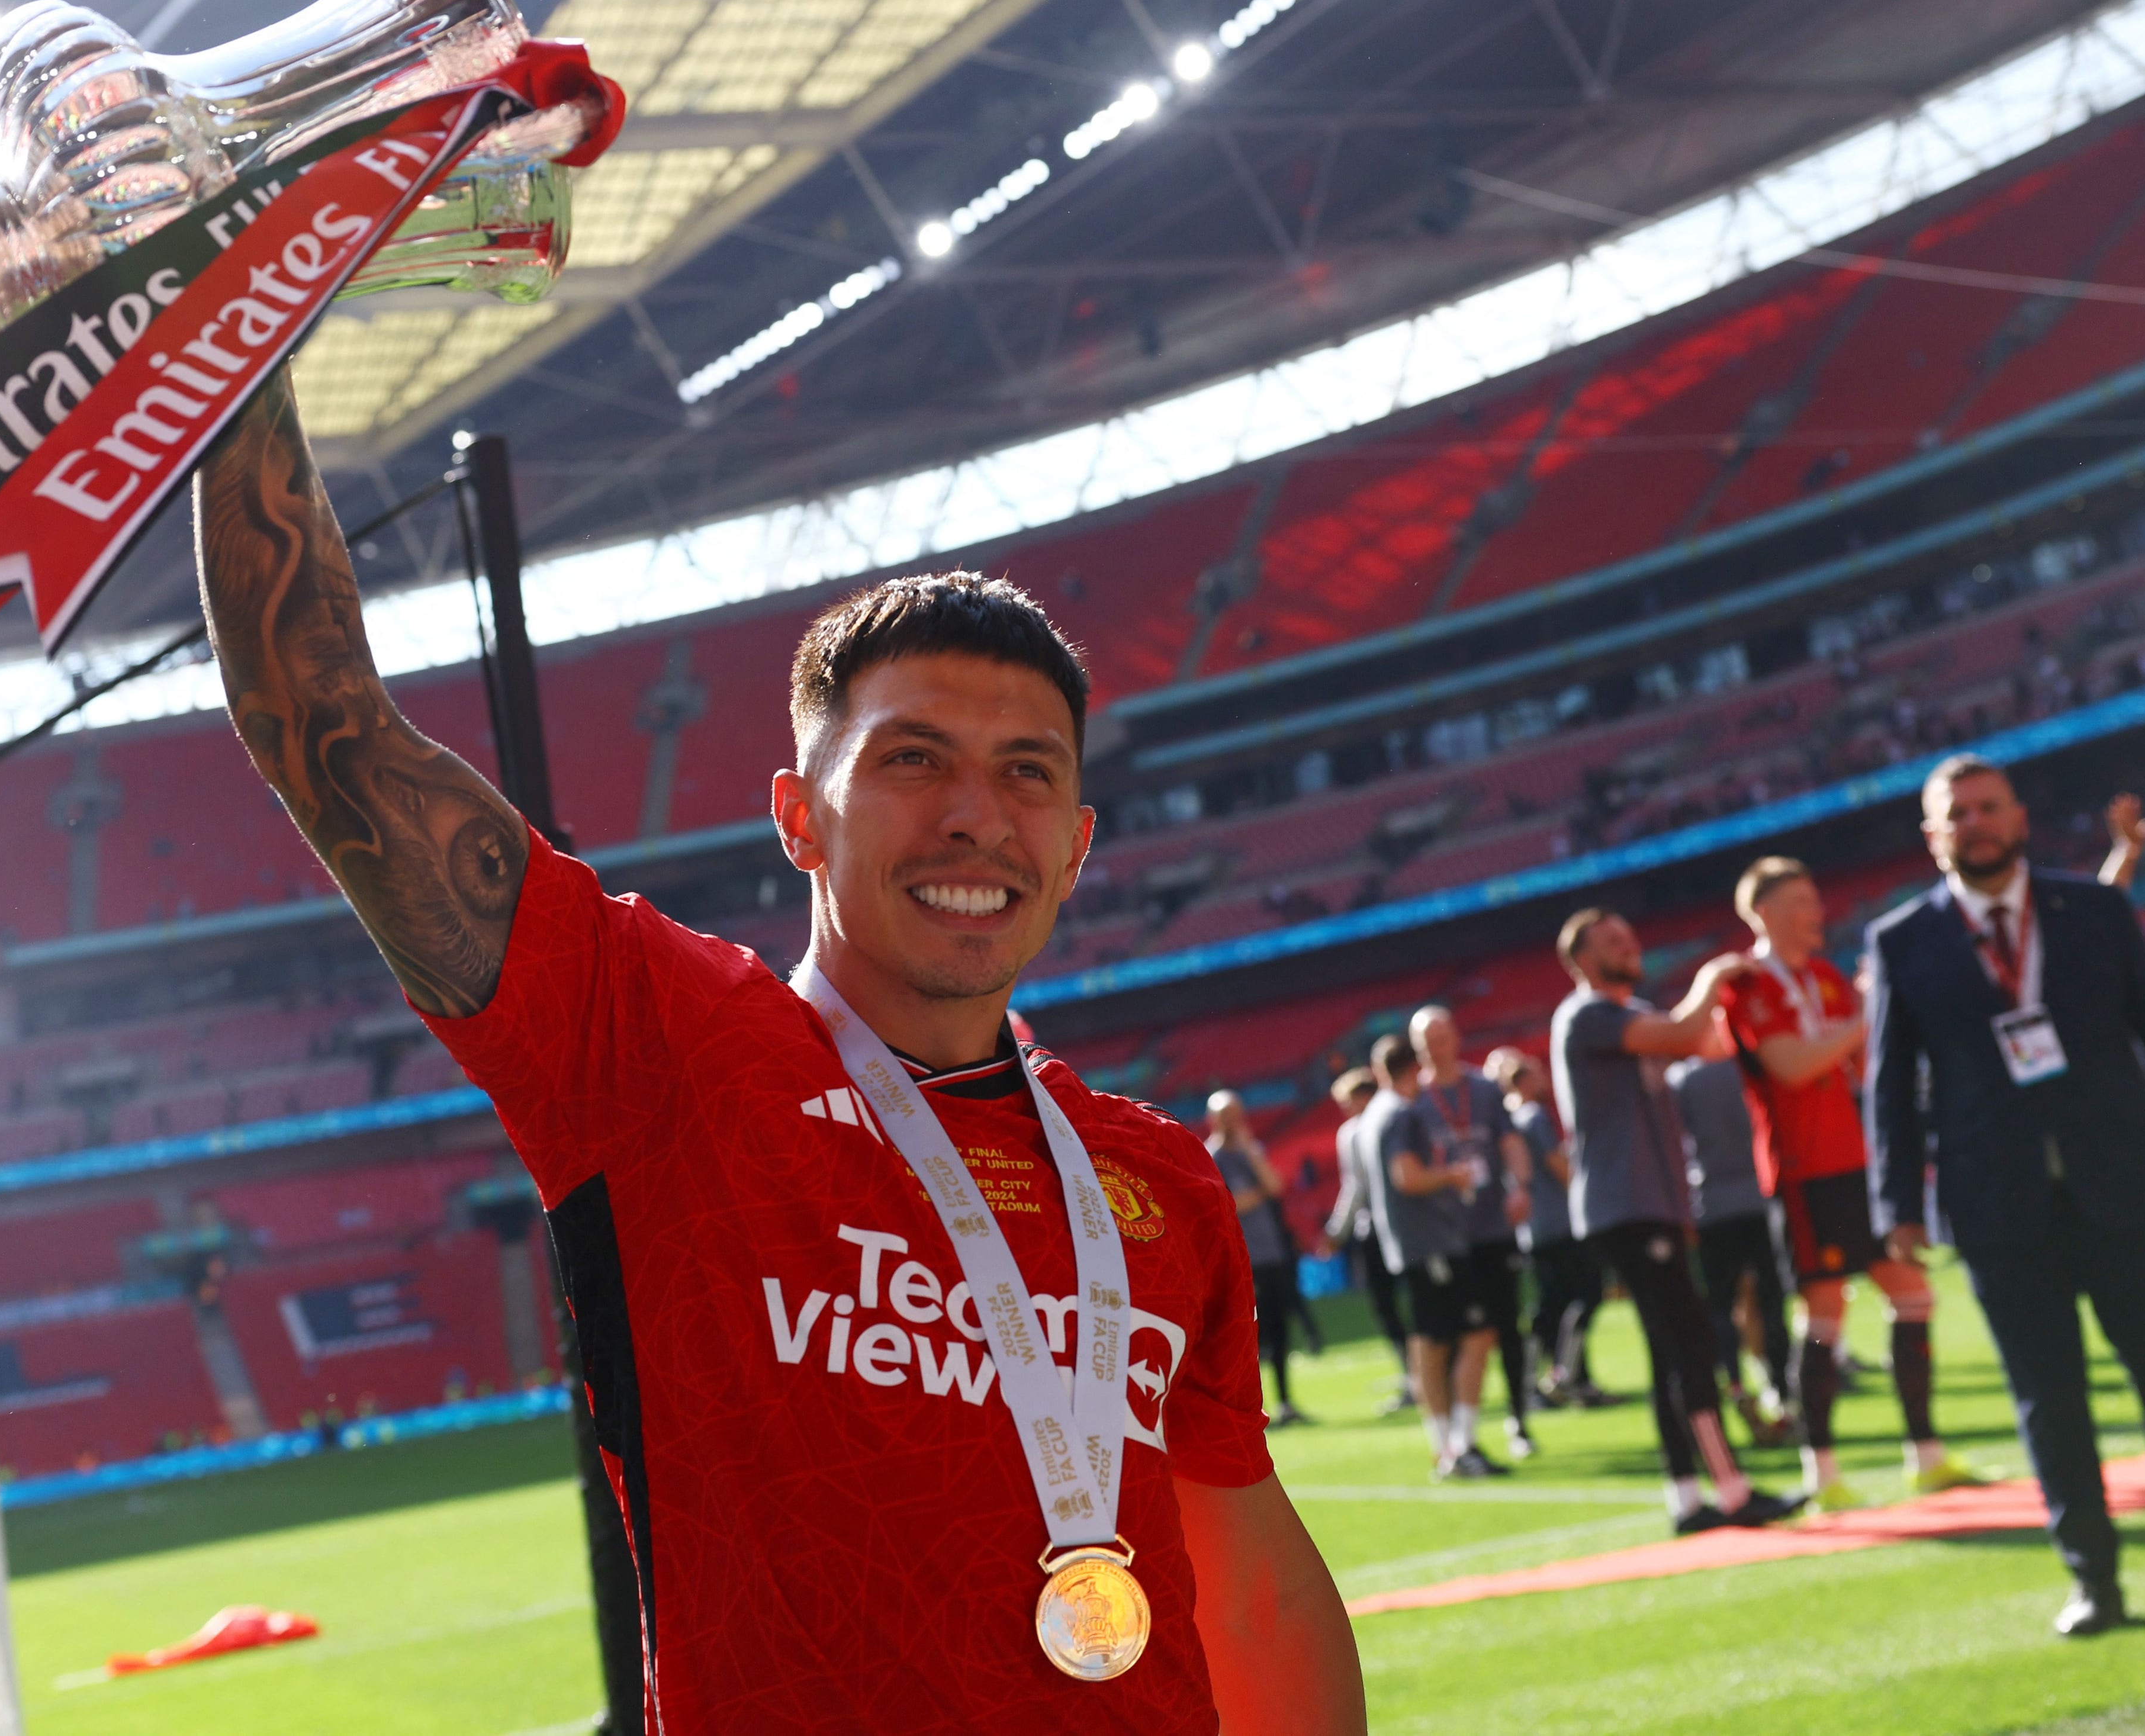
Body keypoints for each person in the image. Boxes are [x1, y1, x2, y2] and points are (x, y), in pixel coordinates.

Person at [197, 384, 1363, 1733]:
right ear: (799, 818)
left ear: (1078, 846)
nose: (978, 817)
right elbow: (320, 720)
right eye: (914, 760)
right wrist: (239, 336)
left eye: (1028, 773)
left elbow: (1255, 1592)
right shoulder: (654, 1046)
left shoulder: (1161, 1179)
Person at [1865, 755, 2145, 1636]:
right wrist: (1894, 1206)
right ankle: (2094, 1581)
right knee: (2047, 1395)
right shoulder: (1901, 941)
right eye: (1955, 813)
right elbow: (1890, 1087)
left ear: (2020, 817)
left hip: (2117, 1182)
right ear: (1933, 836)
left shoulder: (2097, 909)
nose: (1975, 823)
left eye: (1988, 807)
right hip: (1997, 1206)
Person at [1713, 857, 1976, 1511]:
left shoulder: (1825, 978)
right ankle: (1822, 1472)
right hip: (1805, 1171)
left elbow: (1865, 1058)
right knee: (1824, 1312)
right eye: (1801, 901)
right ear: (1764, 911)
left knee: (1912, 1294)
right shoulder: (1747, 985)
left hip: (1858, 1161)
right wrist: (1868, 1015)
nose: (1816, 912)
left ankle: (1925, 1453)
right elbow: (1793, 1065)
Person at [1551, 909, 1797, 1535]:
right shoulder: (1590, 1015)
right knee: (1688, 1345)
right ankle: (1731, 1491)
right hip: (1627, 1204)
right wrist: (1716, 975)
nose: (1628, 946)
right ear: (1578, 960)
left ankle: (1688, 1496)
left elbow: (1707, 1041)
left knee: (1671, 1350)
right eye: (1611, 942)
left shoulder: (1626, 1016)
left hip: (1646, 1204)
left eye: (1630, 936)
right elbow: (1687, 1036)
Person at [1359, 1033, 1504, 1480]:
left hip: (1411, 1245)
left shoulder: (1374, 1114)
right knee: (1474, 1335)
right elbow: (1408, 1176)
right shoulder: (1401, 1113)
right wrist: (1453, 1175)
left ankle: (1448, 1445)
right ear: (1414, 1067)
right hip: (1431, 1243)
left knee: (1430, 1341)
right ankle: (1459, 1443)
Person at [1408, 1006, 1537, 1460]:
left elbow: (1510, 1141)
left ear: (1456, 1037)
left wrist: (1519, 1185)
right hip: (1446, 1237)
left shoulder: (1483, 1089)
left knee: (1507, 1327)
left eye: (1442, 1035)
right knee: (1454, 1336)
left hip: (1492, 1227)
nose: (1436, 1045)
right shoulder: (1414, 1100)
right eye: (1427, 1038)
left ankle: (1520, 1418)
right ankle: (1457, 1435)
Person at [1665, 1052, 1793, 1449]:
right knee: (1771, 1299)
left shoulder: (1682, 1077)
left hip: (1711, 1205)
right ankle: (1780, 1388)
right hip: (1760, 1194)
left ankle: (1738, 1387)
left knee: (1720, 1306)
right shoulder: (1746, 1065)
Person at [1494, 1048, 1609, 1409]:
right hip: (1560, 1223)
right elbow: (1559, 1167)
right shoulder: (1531, 1116)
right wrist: (1591, 1199)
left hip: (1535, 1227)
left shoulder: (1509, 1119)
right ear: (1523, 1080)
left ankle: (1559, 1379)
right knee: (1585, 1295)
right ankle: (1563, 1374)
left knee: (1554, 1305)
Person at [1207, 1091, 1310, 1428]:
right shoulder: (1211, 1157)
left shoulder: (1252, 1152)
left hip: (1270, 1254)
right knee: (1248, 1336)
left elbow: (1275, 1186)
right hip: (1240, 1260)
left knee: (1279, 1329)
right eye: (1226, 1115)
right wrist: (1256, 1193)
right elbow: (1232, 1204)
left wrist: (1251, 1154)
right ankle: (1249, 1409)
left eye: (1237, 1112)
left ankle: (1285, 1402)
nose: (1233, 1121)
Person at [1324, 1062, 1417, 1412]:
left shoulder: (1356, 1132)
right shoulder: (1390, 1120)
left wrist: (1337, 1230)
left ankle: (1416, 1375)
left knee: (1389, 1307)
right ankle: (1418, 1374)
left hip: (1378, 1231)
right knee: (1407, 1304)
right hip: (1404, 1225)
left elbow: (1356, 1188)